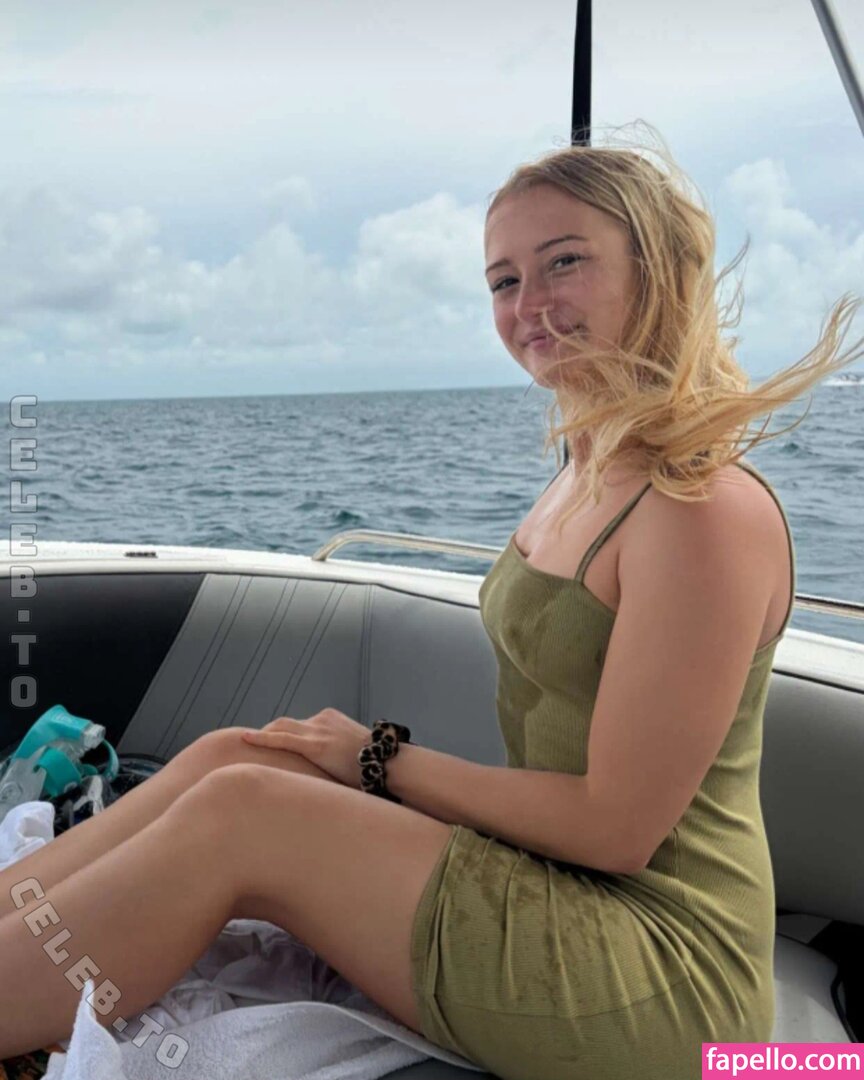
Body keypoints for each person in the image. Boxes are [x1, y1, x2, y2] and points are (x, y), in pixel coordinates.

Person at [0, 123, 862, 1079]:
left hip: (663, 969)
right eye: (503, 280)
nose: (528, 305)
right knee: (241, 754)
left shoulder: (700, 509)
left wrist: (379, 759)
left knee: (249, 807)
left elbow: (616, 831)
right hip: (565, 882)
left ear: (655, 268)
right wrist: (358, 764)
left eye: (563, 262)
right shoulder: (586, 468)